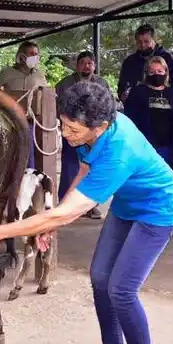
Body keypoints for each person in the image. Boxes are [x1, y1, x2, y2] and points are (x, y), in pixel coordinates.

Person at [0, 81, 173, 344]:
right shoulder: (87, 133)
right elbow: (84, 170)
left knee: (122, 291)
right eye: (62, 124)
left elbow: (71, 211)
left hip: (157, 211)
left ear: (99, 126)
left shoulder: (118, 148)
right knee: (100, 277)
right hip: (127, 207)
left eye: (71, 128)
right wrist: (53, 218)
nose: (65, 133)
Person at [56, 50, 110, 219]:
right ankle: (66, 202)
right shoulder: (65, 83)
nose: (87, 66)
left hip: (94, 133)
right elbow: (57, 106)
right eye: (83, 63)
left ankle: (90, 206)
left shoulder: (101, 83)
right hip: (72, 131)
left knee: (92, 167)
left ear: (94, 66)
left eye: (90, 63)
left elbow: (108, 105)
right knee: (70, 165)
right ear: (77, 66)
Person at [0, 41, 48, 169]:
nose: (35, 57)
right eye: (31, 54)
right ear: (21, 56)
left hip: (33, 122)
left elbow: (47, 95)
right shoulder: (8, 73)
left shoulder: (40, 75)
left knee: (30, 155)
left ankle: (29, 178)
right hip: (10, 121)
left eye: (36, 54)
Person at [122, 55, 173, 170]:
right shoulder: (137, 92)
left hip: (167, 147)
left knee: (165, 178)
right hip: (144, 146)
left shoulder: (172, 93)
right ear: (146, 73)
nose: (157, 74)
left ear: (166, 72)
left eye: (160, 71)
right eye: (152, 72)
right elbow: (130, 120)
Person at [116, 23, 173, 103]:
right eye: (139, 42)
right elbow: (122, 85)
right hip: (136, 106)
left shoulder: (168, 58)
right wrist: (123, 95)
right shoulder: (130, 61)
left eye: (146, 42)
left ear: (154, 40)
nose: (143, 45)